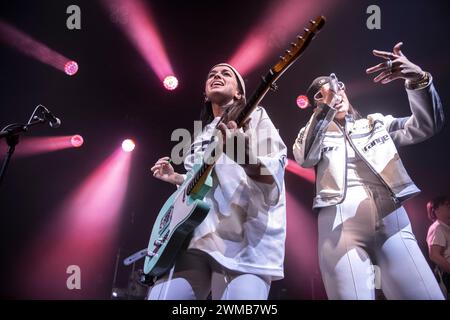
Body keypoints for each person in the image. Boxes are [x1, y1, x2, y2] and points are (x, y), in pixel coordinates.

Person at [293, 42, 445, 299]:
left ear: (344, 88)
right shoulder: (311, 135)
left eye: (335, 87)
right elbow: (305, 158)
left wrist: (419, 78)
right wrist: (325, 110)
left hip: (394, 223)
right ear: (315, 106)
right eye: (321, 95)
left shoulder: (376, 123)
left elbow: (427, 125)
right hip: (340, 228)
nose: (332, 94)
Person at [147, 63, 287, 300]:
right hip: (195, 236)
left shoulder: (256, 117)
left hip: (244, 238)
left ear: (239, 93)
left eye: (225, 74)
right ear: (205, 93)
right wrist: (178, 178)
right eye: (211, 74)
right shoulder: (201, 135)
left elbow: (273, 172)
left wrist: (245, 158)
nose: (216, 76)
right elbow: (200, 187)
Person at [426, 195, 450, 299]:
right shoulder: (437, 228)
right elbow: (434, 255)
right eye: (447, 204)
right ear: (435, 209)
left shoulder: (445, 227)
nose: (449, 206)